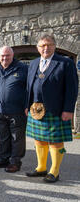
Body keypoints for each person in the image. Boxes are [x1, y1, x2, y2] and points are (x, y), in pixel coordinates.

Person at [25, 34, 78, 183]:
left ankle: (54, 171)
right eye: (42, 45)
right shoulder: (34, 63)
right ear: (37, 48)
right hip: (35, 109)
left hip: (55, 109)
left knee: (55, 141)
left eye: (49, 45)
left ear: (55, 46)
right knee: (39, 139)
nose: (46, 48)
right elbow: (28, 87)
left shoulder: (65, 63)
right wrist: (26, 106)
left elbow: (72, 89)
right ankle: (41, 167)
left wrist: (68, 109)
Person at [0, 46, 28, 173]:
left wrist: (27, 105)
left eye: (7, 55)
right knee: (3, 137)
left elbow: (29, 89)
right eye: (2, 56)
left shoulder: (22, 68)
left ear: (12, 55)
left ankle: (15, 162)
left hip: (17, 110)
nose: (4, 58)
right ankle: (3, 159)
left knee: (16, 138)